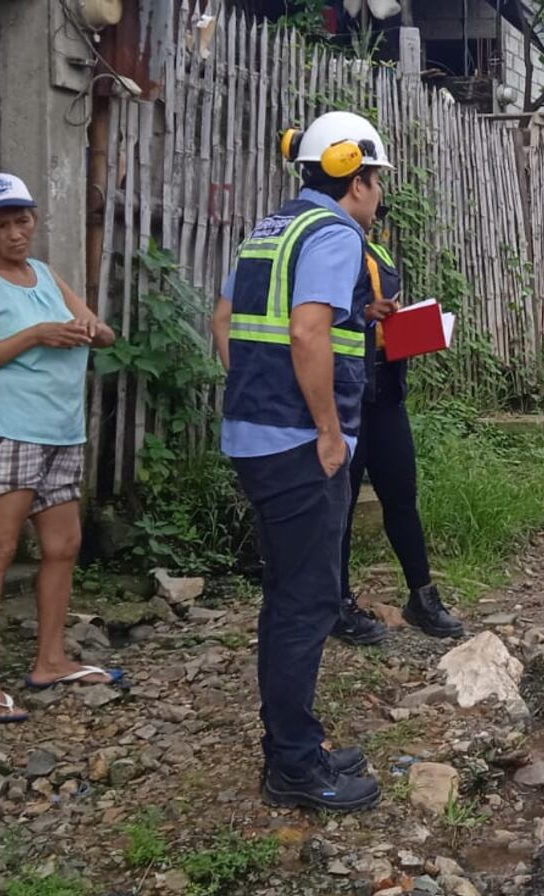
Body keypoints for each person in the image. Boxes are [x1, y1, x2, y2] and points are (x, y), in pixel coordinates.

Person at [213, 111, 391, 811]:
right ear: (357, 177)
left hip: (256, 433)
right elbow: (309, 330)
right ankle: (291, 765)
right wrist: (323, 431)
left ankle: (298, 741)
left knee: (289, 593)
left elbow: (224, 321)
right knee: (306, 600)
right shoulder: (335, 234)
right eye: (376, 180)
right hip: (297, 444)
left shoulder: (271, 228)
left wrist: (252, 391)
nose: (379, 195)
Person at [217, 237, 467, 646]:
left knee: (401, 495)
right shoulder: (319, 247)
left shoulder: (379, 252)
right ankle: (339, 603)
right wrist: (364, 316)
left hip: (386, 391)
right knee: (341, 505)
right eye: (373, 184)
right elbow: (306, 324)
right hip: (342, 395)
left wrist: (395, 320)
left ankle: (422, 596)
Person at [0, 173, 119, 723]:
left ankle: (49, 660)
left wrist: (92, 327)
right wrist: (34, 335)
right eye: (1, 225)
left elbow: (103, 332)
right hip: (6, 429)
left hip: (60, 430)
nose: (16, 233)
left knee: (63, 546)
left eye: (23, 221)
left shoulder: (42, 273)